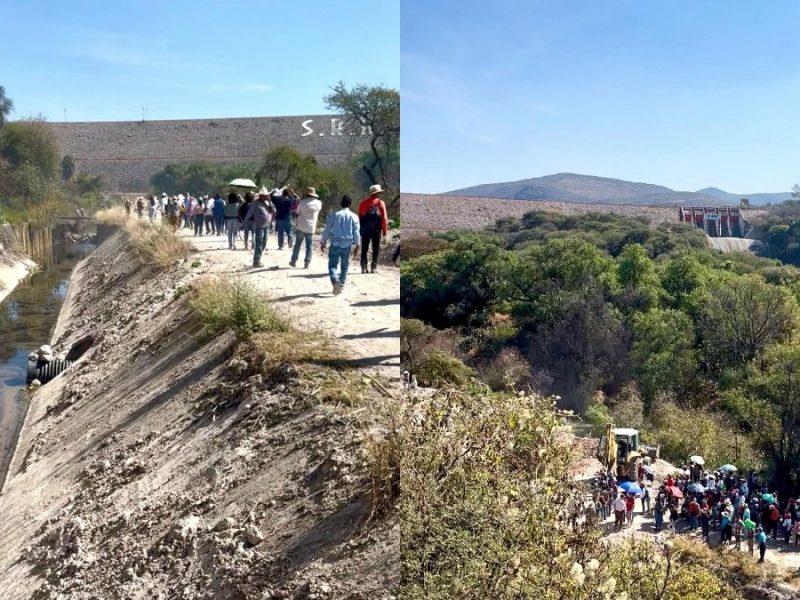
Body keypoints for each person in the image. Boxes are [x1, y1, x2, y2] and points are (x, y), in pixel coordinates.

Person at [320, 195, 360, 295]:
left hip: (335, 243)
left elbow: (327, 229)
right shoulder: (354, 216)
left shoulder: (334, 214)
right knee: (344, 266)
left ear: (341, 203)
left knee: (332, 265)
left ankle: (334, 280)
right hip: (347, 244)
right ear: (350, 204)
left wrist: (323, 241)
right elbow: (356, 232)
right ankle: (341, 285)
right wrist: (357, 244)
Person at [357, 184, 389, 274]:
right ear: (377, 193)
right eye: (379, 193)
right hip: (376, 229)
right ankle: (373, 268)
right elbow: (384, 218)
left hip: (365, 229)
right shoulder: (380, 203)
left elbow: (359, 217)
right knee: (375, 249)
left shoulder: (362, 203)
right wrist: (385, 231)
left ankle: (363, 267)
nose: (380, 194)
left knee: (364, 249)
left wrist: (360, 230)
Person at [290, 187, 322, 269]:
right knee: (309, 246)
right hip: (311, 228)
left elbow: (297, 212)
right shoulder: (319, 203)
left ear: (306, 194)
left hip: (301, 226)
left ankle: (293, 260)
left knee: (297, 244)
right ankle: (307, 262)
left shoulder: (302, 202)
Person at [242, 188, 275, 268]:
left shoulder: (267, 202)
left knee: (264, 243)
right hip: (259, 226)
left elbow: (273, 210)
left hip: (266, 226)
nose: (266, 196)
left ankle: (258, 258)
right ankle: (256, 261)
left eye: (266, 195)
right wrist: (244, 223)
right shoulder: (255, 203)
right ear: (261, 196)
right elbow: (249, 213)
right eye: (264, 195)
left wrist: (270, 201)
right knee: (259, 244)